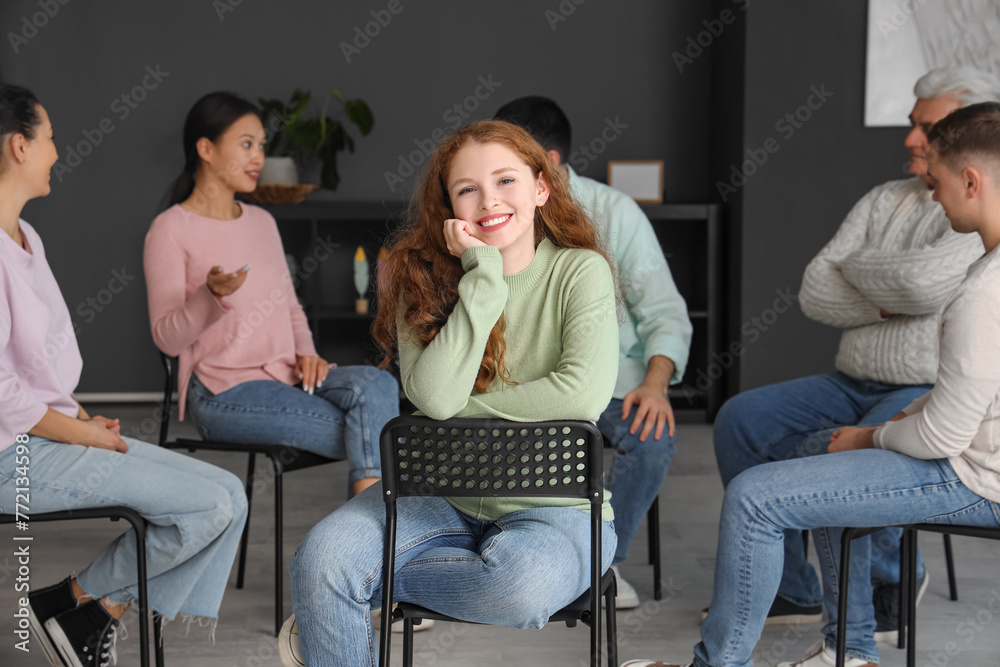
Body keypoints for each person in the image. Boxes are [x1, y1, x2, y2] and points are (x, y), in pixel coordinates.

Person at [622, 100, 1000, 667]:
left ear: (971, 180)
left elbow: (946, 440)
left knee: (754, 499)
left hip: (976, 479)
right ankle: (849, 651)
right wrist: (908, 415)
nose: (932, 191)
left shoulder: (983, 291)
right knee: (810, 454)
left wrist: (868, 438)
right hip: (974, 457)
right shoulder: (984, 271)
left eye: (939, 181)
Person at [277, 119, 620, 666]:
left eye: (505, 180)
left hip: (554, 510)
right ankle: (332, 600)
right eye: (468, 189)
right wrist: (482, 279)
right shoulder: (423, 277)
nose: (489, 201)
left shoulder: (581, 272)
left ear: (541, 187)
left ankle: (339, 604)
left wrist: (466, 410)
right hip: (442, 495)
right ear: (449, 208)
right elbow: (435, 401)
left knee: (519, 587)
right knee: (323, 558)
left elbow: (579, 397)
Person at [709, 66, 1000, 636]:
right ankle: (801, 597)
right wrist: (888, 292)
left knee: (828, 463)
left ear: (969, 170)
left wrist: (859, 272)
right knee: (742, 419)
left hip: (956, 443)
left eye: (931, 129)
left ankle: (866, 618)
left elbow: (921, 287)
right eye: (914, 125)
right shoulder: (892, 201)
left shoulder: (979, 278)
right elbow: (816, 286)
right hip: (866, 383)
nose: (915, 141)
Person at [0, 83, 247, 667]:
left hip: (44, 432)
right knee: (209, 508)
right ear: (18, 146)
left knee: (231, 495)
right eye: (51, 138)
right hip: (11, 454)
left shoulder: (26, 237)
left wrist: (82, 415)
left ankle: (80, 606)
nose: (58, 152)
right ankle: (79, 609)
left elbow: (32, 368)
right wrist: (85, 436)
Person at [144, 92, 399, 497]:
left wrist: (308, 354)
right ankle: (380, 534)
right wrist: (208, 297)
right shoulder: (170, 229)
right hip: (223, 393)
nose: (258, 157)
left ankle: (372, 533)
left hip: (287, 376)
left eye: (261, 145)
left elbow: (290, 307)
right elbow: (166, 338)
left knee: (379, 387)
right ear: (206, 148)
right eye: (246, 144)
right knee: (380, 431)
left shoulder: (261, 221)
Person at [494, 97, 692, 608]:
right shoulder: (491, 212)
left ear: (550, 166)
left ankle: (600, 564)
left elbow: (664, 311)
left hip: (612, 385)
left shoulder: (613, 212)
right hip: (523, 384)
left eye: (509, 166)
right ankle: (528, 559)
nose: (495, 183)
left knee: (651, 441)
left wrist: (655, 384)